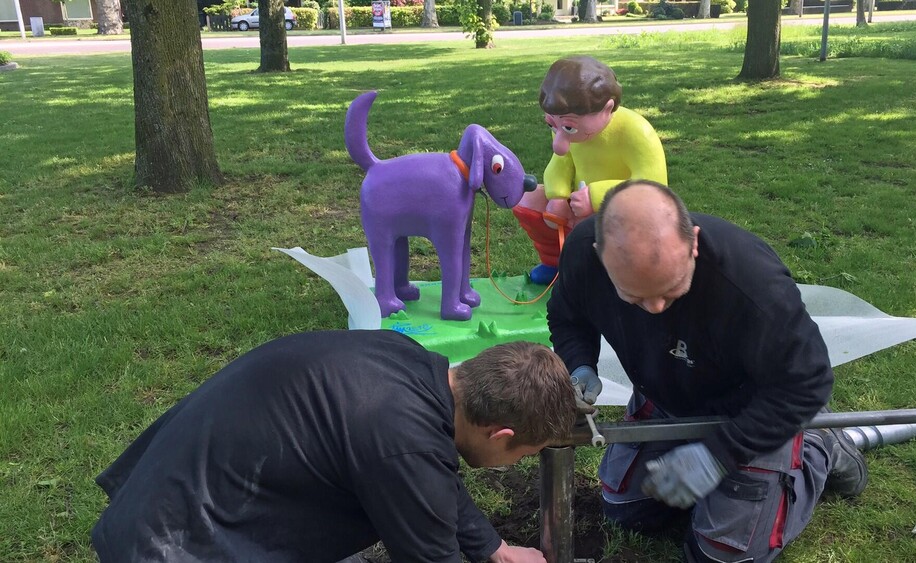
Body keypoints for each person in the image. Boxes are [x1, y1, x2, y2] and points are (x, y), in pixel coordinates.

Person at [546, 180, 868, 562]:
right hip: (667, 394)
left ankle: (819, 444)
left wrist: (718, 454)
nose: (655, 309)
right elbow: (567, 316)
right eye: (634, 296)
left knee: (721, 556)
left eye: (671, 289)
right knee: (626, 509)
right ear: (601, 256)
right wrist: (580, 364)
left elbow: (808, 383)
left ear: (694, 243)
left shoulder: (751, 286)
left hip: (750, 408)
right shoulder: (584, 253)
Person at [90, 330, 578, 562]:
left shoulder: (409, 362)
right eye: (523, 456)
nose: (512, 465)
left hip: (165, 497)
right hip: (171, 545)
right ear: (502, 435)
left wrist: (493, 549)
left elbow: (434, 481)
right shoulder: (402, 444)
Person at [513, 56, 669, 285]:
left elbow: (653, 186)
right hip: (576, 204)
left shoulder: (636, 132)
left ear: (607, 109)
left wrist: (596, 197)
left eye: (568, 127)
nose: (559, 139)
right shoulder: (562, 127)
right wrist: (557, 195)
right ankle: (556, 262)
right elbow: (561, 161)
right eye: (551, 124)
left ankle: (609, 274)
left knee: (604, 226)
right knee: (527, 200)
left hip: (623, 211)